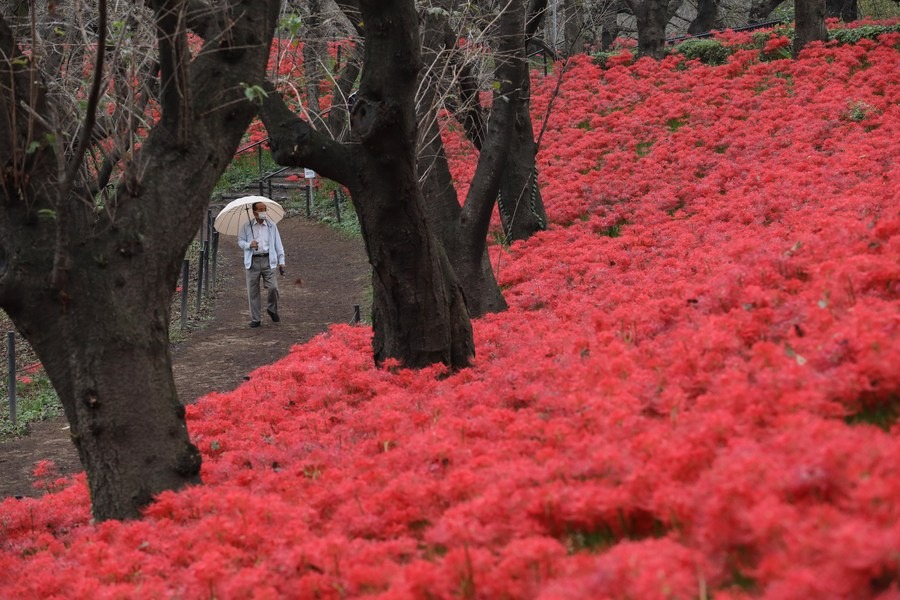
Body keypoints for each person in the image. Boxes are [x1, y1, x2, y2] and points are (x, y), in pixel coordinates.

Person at [237, 201, 286, 328]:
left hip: (268, 260)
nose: (263, 211)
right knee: (253, 292)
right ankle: (256, 318)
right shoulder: (247, 226)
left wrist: (282, 261)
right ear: (254, 212)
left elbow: (278, 244)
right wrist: (249, 245)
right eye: (260, 209)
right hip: (252, 261)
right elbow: (240, 241)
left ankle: (272, 308)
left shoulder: (271, 226)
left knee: (273, 288)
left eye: (264, 209)